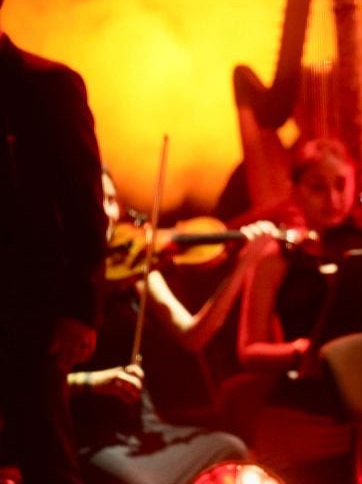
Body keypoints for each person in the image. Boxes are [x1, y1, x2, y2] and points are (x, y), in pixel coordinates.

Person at [65, 169, 255, 484]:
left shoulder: (135, 264)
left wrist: (242, 268)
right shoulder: (52, 279)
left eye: (112, 200)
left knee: (230, 447)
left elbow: (193, 337)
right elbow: (33, 381)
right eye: (96, 200)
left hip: (143, 428)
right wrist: (96, 382)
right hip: (88, 434)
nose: (107, 210)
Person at [0, 0, 108, 483]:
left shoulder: (47, 87)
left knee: (46, 457)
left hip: (27, 308)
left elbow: (86, 206)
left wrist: (79, 309)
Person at [226, 137, 362, 440]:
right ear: (296, 191)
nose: (333, 199)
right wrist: (297, 351)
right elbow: (249, 351)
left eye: (341, 185)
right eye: (318, 188)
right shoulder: (276, 258)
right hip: (308, 394)